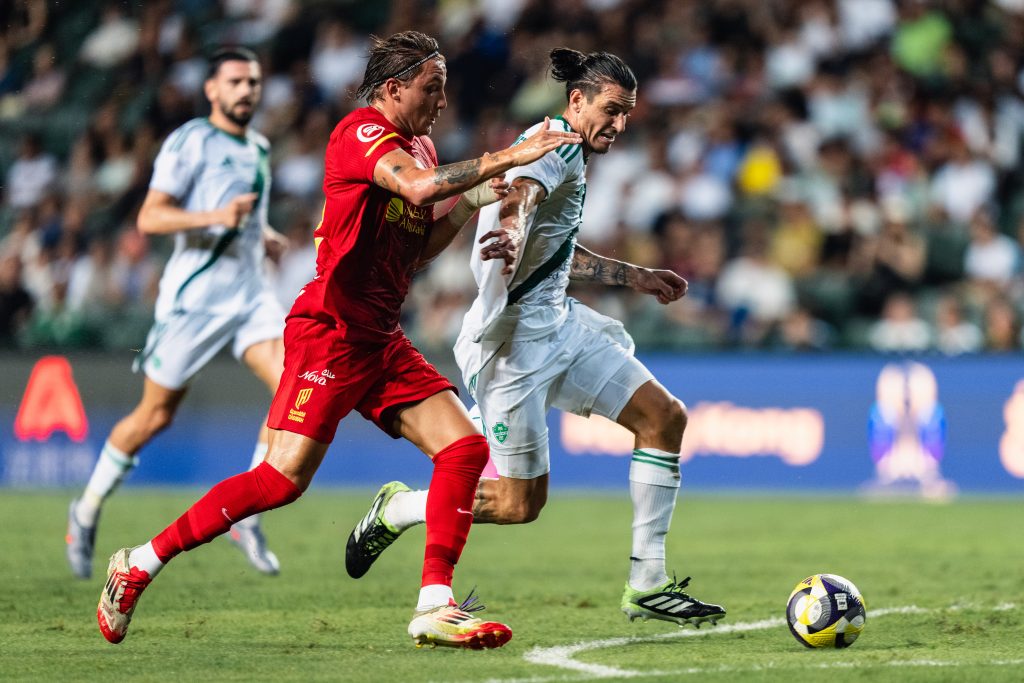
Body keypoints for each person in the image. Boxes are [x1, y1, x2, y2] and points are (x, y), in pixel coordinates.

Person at [95, 31, 580, 649]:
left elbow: (415, 248)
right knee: (280, 481)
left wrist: (467, 209)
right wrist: (508, 158)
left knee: (463, 449)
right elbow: (419, 188)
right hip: (329, 333)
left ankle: (435, 604)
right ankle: (137, 563)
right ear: (394, 87)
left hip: (379, 337)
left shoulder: (420, 144)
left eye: (445, 91)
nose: (440, 103)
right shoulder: (361, 133)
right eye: (432, 90)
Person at [345, 48, 727, 629]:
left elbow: (556, 256)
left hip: (559, 324)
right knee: (521, 505)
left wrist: (635, 277)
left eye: (626, 114)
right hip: (513, 346)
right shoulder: (552, 143)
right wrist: (513, 229)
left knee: (664, 418)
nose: (620, 125)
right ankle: (400, 508)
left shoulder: (571, 149)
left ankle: (648, 584)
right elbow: (522, 195)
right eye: (612, 110)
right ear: (577, 102)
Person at [66, 47, 288, 580]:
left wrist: (267, 235)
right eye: (236, 81)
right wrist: (215, 215)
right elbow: (150, 216)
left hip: (251, 296)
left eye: (254, 82)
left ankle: (247, 516)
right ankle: (87, 507)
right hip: (195, 301)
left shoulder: (258, 147)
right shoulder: (191, 141)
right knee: (155, 416)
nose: (247, 90)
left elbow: (245, 220)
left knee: (294, 386)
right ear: (212, 89)